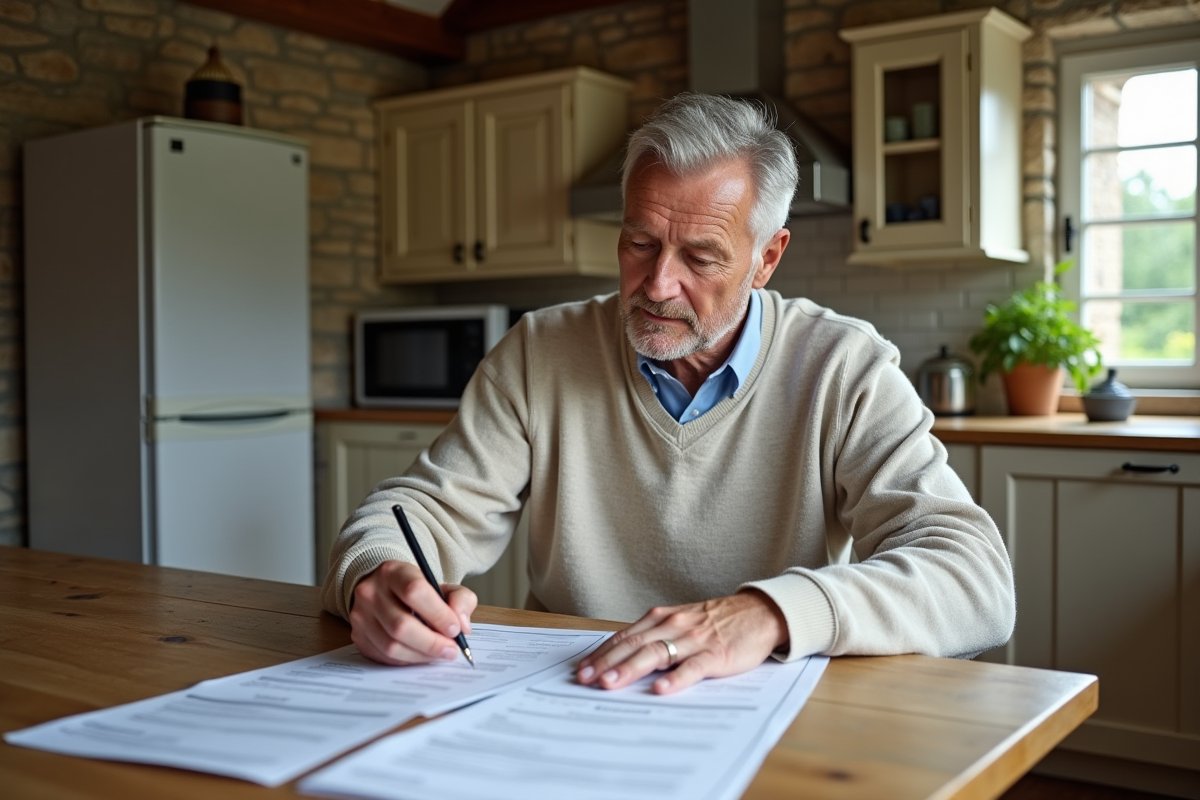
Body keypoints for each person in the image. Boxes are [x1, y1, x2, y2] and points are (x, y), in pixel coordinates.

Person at [322, 92, 1015, 695]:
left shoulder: (844, 367)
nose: (656, 285)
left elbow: (975, 579)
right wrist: (377, 578)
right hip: (573, 697)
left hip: (769, 712)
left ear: (766, 258)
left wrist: (769, 614)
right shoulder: (539, 353)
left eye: (701, 257)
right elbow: (419, 512)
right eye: (639, 242)